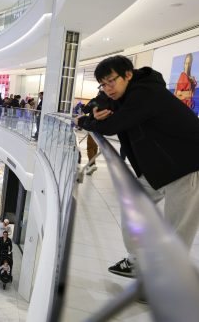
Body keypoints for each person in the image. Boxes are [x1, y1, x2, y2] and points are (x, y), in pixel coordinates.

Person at [75, 55, 199, 278]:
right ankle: (138, 260)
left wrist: (86, 122)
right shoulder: (125, 94)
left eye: (111, 81)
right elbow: (98, 102)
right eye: (103, 83)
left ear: (128, 75)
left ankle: (170, 282)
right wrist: (94, 111)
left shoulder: (146, 94)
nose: (107, 88)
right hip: (157, 168)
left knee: (177, 229)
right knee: (133, 206)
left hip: (187, 167)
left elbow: (114, 125)